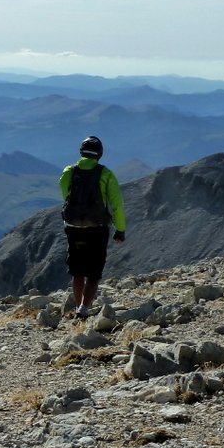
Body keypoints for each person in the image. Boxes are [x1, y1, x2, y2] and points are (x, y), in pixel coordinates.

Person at [59, 136, 125, 319]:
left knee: (77, 270)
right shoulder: (106, 174)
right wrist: (120, 229)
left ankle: (78, 304)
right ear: (100, 154)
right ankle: (83, 308)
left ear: (81, 152)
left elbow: (65, 194)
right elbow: (117, 204)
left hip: (73, 227)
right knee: (94, 272)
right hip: (97, 228)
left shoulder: (69, 171)